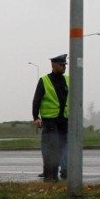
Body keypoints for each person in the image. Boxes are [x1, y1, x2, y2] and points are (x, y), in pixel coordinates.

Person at [32, 53, 70, 181]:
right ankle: (50, 176)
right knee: (51, 148)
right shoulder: (44, 80)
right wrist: (35, 117)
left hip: (64, 120)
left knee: (65, 146)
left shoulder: (68, 79)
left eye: (65, 65)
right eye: (61, 65)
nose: (64, 67)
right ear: (53, 65)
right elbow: (36, 99)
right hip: (50, 121)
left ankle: (65, 170)